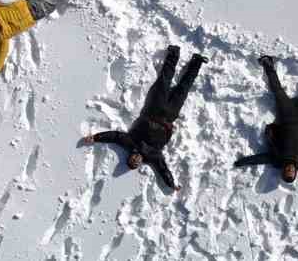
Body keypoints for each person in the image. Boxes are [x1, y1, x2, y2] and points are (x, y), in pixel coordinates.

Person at [82, 45, 207, 190]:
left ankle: (174, 53)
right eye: (136, 162)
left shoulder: (130, 142)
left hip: (153, 108)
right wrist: (171, 184)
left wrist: (96, 137)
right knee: (183, 89)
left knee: (164, 81)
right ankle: (197, 62)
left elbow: (114, 136)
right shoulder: (153, 156)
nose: (135, 159)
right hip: (169, 117)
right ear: (140, 163)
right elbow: (163, 170)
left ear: (130, 157)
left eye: (132, 159)